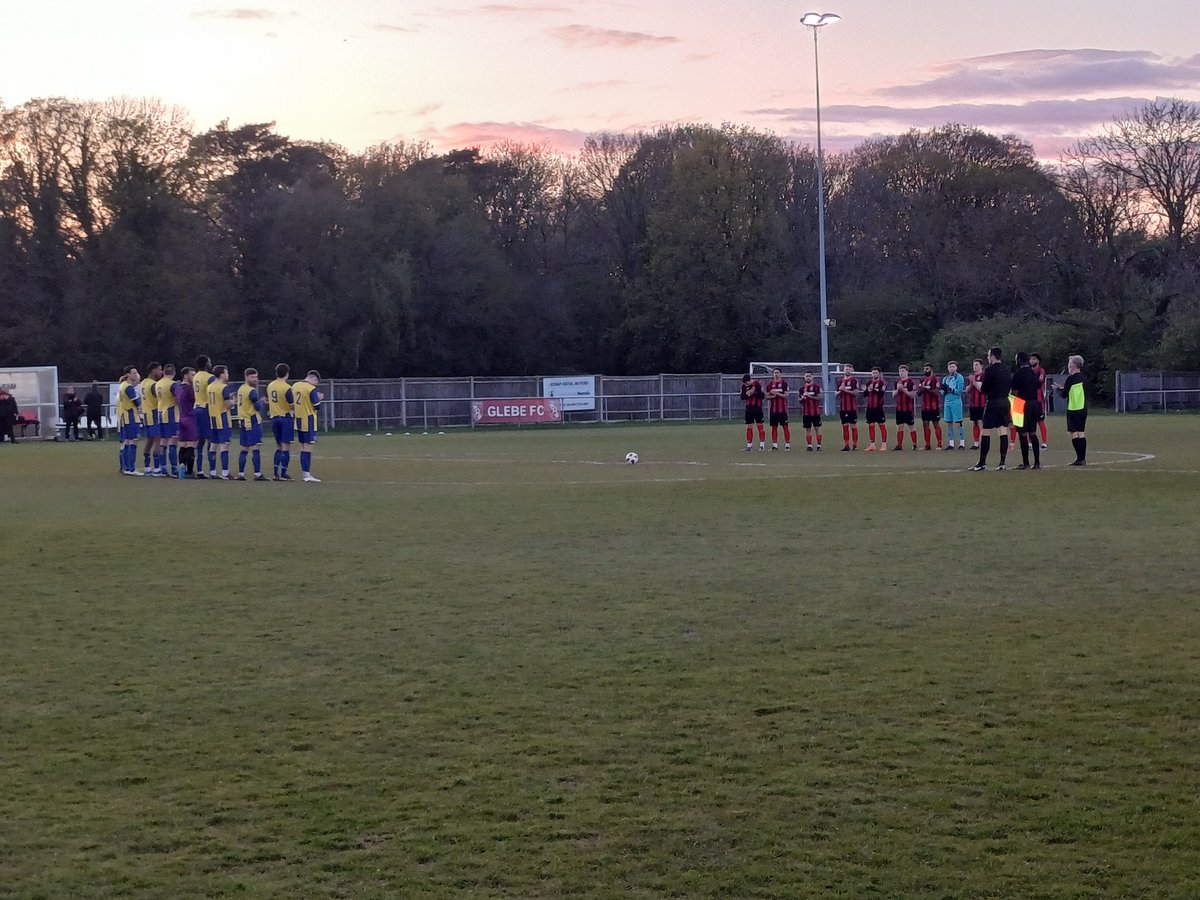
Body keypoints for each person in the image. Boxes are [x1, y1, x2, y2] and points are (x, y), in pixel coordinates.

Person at [970, 347, 1013, 471]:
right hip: (1005, 401)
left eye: (989, 356)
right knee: (1002, 430)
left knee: (986, 431)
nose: (988, 358)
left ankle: (982, 462)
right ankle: (1002, 463)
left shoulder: (989, 370)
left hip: (993, 402)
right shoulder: (1007, 370)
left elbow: (984, 389)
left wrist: (976, 383)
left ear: (993, 356)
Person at [1054, 355, 1088, 466]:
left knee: (1073, 433)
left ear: (1073, 365)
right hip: (1083, 408)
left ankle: (1079, 458)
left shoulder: (1070, 378)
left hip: (1073, 408)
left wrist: (1059, 389)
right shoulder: (1084, 377)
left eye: (1070, 364)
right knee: (1081, 432)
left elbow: (1064, 395)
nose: (1069, 366)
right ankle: (1082, 458)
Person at [1010, 351, 1042, 470]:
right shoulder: (1033, 373)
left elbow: (1014, 392)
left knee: (1023, 434)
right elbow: (1038, 386)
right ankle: (1037, 462)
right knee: (1033, 433)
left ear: (1018, 360)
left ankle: (1026, 462)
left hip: (1021, 404)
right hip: (1034, 404)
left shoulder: (1017, 374)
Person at [236, 368, 267, 481]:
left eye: (256, 377)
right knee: (255, 447)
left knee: (244, 448)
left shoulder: (241, 389)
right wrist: (263, 401)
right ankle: (257, 474)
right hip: (252, 420)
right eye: (252, 377)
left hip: (243, 421)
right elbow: (257, 407)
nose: (255, 379)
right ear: (246, 377)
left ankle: (241, 474)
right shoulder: (252, 391)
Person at [268, 363, 299, 476]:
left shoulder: (270, 386)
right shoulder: (287, 387)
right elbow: (291, 404)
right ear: (287, 373)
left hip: (274, 418)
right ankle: (284, 473)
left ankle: (275, 473)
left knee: (278, 446)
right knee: (286, 447)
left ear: (276, 373)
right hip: (285, 418)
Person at [205, 365, 235, 480]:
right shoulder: (223, 387)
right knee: (224, 445)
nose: (228, 375)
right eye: (226, 373)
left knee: (213, 445)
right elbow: (227, 405)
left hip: (212, 418)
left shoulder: (210, 387)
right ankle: (225, 472)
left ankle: (212, 472)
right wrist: (233, 401)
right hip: (222, 418)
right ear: (222, 374)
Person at [116, 369, 142, 474]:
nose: (136, 375)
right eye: (134, 373)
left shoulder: (122, 385)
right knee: (133, 441)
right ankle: (131, 468)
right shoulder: (128, 387)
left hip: (124, 416)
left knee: (126, 441)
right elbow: (137, 401)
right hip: (130, 416)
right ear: (128, 374)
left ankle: (125, 467)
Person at [156, 364, 180, 477]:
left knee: (163, 442)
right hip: (170, 414)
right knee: (173, 441)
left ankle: (163, 468)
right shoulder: (173, 384)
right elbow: (178, 399)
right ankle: (174, 469)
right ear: (174, 373)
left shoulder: (158, 383)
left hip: (160, 413)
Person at [193, 355, 214, 479]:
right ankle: (212, 470)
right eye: (209, 362)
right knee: (211, 440)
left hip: (197, 408)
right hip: (206, 409)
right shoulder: (210, 377)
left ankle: (199, 469)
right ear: (206, 364)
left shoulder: (196, 376)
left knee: (199, 441)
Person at [141, 362, 163, 475]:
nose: (161, 372)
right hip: (154, 413)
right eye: (159, 370)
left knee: (149, 440)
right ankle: (157, 468)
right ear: (153, 370)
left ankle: (147, 467)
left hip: (146, 414)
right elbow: (160, 399)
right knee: (157, 440)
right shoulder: (154, 385)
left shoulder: (144, 382)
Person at [175, 367, 198, 477]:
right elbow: (195, 400)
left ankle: (181, 470)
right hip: (189, 418)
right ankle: (189, 471)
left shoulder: (178, 388)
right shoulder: (189, 389)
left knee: (183, 445)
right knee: (191, 445)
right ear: (185, 375)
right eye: (192, 375)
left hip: (181, 417)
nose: (194, 377)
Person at [918, 363, 944, 450]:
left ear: (931, 369)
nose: (925, 370)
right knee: (925, 425)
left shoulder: (935, 379)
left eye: (927, 369)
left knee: (936, 424)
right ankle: (927, 445)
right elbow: (918, 393)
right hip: (925, 407)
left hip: (934, 406)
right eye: (924, 369)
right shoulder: (922, 379)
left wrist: (926, 388)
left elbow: (936, 392)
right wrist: (921, 388)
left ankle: (939, 444)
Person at [940, 361, 966, 449]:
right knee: (949, 422)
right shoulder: (945, 378)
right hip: (947, 402)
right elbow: (942, 392)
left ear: (956, 368)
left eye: (953, 366)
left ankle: (962, 443)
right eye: (950, 367)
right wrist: (942, 390)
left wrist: (950, 389)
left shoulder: (959, 377)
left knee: (959, 422)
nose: (951, 368)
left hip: (956, 401)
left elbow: (959, 391)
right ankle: (951, 443)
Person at [892, 365, 918, 450]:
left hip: (908, 409)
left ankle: (914, 444)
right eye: (900, 371)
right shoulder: (897, 382)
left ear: (907, 372)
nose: (901, 373)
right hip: (899, 408)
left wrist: (903, 390)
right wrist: (897, 390)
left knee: (911, 426)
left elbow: (913, 395)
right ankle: (899, 445)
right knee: (899, 427)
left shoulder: (911, 382)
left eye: (903, 371)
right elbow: (893, 395)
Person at [765, 368, 791, 451]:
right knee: (774, 427)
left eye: (777, 372)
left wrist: (777, 393)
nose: (776, 374)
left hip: (782, 410)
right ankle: (774, 445)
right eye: (774, 373)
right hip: (773, 410)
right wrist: (772, 396)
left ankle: (787, 444)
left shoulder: (784, 384)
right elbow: (766, 396)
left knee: (785, 427)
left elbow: (786, 396)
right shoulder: (770, 385)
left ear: (781, 374)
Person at [862, 367, 888, 451]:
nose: (874, 374)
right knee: (871, 425)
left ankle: (884, 444)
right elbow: (865, 394)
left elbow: (881, 393)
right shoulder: (869, 382)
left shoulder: (882, 382)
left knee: (882, 425)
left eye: (876, 372)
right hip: (870, 407)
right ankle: (872, 444)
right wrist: (866, 390)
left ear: (879, 374)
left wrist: (873, 389)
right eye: (873, 373)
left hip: (879, 407)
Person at [739, 373, 766, 451]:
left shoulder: (758, 384)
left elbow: (762, 396)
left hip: (758, 408)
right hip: (749, 409)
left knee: (760, 426)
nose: (746, 384)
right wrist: (748, 394)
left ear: (749, 380)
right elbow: (742, 397)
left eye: (746, 383)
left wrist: (754, 392)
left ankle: (762, 445)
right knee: (749, 427)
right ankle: (749, 446)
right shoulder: (744, 386)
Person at [835, 364, 860, 451]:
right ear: (844, 370)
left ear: (852, 370)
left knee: (853, 426)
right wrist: (840, 391)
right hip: (843, 407)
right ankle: (846, 445)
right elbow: (836, 395)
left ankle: (855, 445)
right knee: (844, 426)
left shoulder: (854, 381)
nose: (848, 370)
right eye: (846, 369)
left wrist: (845, 390)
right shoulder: (839, 381)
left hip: (852, 407)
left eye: (849, 369)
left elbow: (856, 393)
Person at [1029, 352, 1050, 449]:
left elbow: (1039, 381)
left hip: (1039, 400)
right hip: (1030, 399)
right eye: (1031, 359)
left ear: (1037, 361)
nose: (1031, 361)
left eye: (1033, 359)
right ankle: (1030, 442)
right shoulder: (1028, 370)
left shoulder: (1041, 371)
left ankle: (1044, 441)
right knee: (1030, 421)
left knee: (1040, 421)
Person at [799, 370, 823, 451]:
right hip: (806, 412)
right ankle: (809, 445)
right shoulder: (802, 389)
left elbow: (819, 397)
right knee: (807, 429)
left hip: (815, 412)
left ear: (812, 377)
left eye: (809, 376)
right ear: (804, 377)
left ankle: (819, 445)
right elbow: (800, 401)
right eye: (806, 376)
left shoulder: (816, 387)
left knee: (817, 428)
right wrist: (802, 399)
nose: (808, 377)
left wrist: (809, 396)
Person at [967, 359, 986, 449]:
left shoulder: (984, 375)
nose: (975, 366)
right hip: (973, 403)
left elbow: (982, 389)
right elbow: (967, 390)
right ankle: (976, 442)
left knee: (981, 422)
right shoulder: (970, 377)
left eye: (977, 365)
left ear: (981, 366)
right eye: (974, 365)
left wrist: (974, 382)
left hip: (982, 403)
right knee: (974, 422)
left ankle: (983, 441)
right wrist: (971, 384)